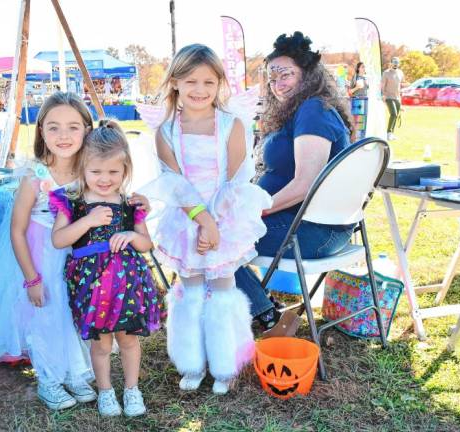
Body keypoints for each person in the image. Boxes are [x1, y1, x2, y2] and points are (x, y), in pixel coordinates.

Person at [140, 44, 272, 395]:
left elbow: (236, 179)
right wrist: (201, 222)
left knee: (223, 290)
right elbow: (174, 183)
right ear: (175, 84)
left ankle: (226, 363)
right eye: (191, 81)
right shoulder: (165, 131)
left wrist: (215, 222)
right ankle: (192, 362)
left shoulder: (232, 126)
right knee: (191, 290)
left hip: (225, 216)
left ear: (219, 85)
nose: (200, 90)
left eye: (208, 82)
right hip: (186, 220)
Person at [0, 92, 98, 411]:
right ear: (41, 131)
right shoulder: (36, 176)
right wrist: (31, 278)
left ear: (87, 129)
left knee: (70, 313)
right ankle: (49, 379)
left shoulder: (90, 171)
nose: (64, 136)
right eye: (53, 127)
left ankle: (72, 370)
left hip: (73, 256)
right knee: (45, 315)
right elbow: (16, 229)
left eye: (73, 127)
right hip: (40, 257)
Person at [234, 31, 356, 337]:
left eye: (285, 74)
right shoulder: (304, 110)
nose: (277, 84)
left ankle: (268, 317)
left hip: (313, 232)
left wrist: (256, 212)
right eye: (272, 78)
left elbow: (304, 184)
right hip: (307, 226)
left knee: (213, 242)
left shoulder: (313, 110)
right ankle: (261, 310)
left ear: (308, 74)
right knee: (212, 232)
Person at [50, 120, 161, 417]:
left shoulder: (130, 204)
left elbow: (146, 243)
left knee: (128, 339)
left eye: (114, 172)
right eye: (96, 171)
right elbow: (59, 240)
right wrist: (87, 221)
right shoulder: (73, 202)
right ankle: (106, 391)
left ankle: (132, 389)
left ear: (126, 171)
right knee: (100, 344)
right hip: (91, 286)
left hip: (127, 287)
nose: (104, 179)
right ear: (82, 168)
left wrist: (132, 236)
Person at [382, 57, 405, 141]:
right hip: (388, 97)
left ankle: (391, 134)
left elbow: (400, 85)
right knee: (394, 114)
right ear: (391, 63)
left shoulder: (400, 73)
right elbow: (383, 85)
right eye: (394, 62)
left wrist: (400, 101)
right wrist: (383, 95)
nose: (395, 64)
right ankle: (388, 133)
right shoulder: (386, 73)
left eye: (397, 63)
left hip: (397, 98)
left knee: (396, 115)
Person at [349, 62, 369, 141]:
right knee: (356, 122)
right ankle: (354, 141)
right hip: (357, 101)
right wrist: (357, 87)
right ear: (358, 69)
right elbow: (350, 92)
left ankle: (361, 141)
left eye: (364, 67)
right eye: (362, 67)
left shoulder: (365, 78)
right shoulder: (355, 78)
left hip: (365, 101)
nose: (364, 68)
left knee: (363, 122)